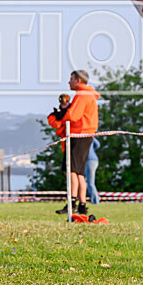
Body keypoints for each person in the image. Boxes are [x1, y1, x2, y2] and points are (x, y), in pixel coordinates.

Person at [50, 70, 100, 216]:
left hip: (78, 134)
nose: (69, 82)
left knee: (72, 171)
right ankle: (82, 205)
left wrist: (59, 119)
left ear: (78, 80)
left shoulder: (82, 94)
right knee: (79, 173)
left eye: (71, 79)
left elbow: (74, 115)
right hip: (86, 134)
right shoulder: (89, 94)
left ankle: (72, 203)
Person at [48, 94, 75, 212]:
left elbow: (64, 123)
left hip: (73, 143)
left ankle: (74, 201)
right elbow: (55, 123)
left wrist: (62, 122)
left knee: (73, 173)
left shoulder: (72, 110)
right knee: (67, 171)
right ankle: (74, 200)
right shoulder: (56, 113)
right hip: (67, 145)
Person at [85, 138, 100, 205]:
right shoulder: (90, 136)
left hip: (89, 160)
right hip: (93, 160)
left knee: (90, 183)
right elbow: (98, 144)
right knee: (84, 180)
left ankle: (95, 201)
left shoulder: (84, 135)